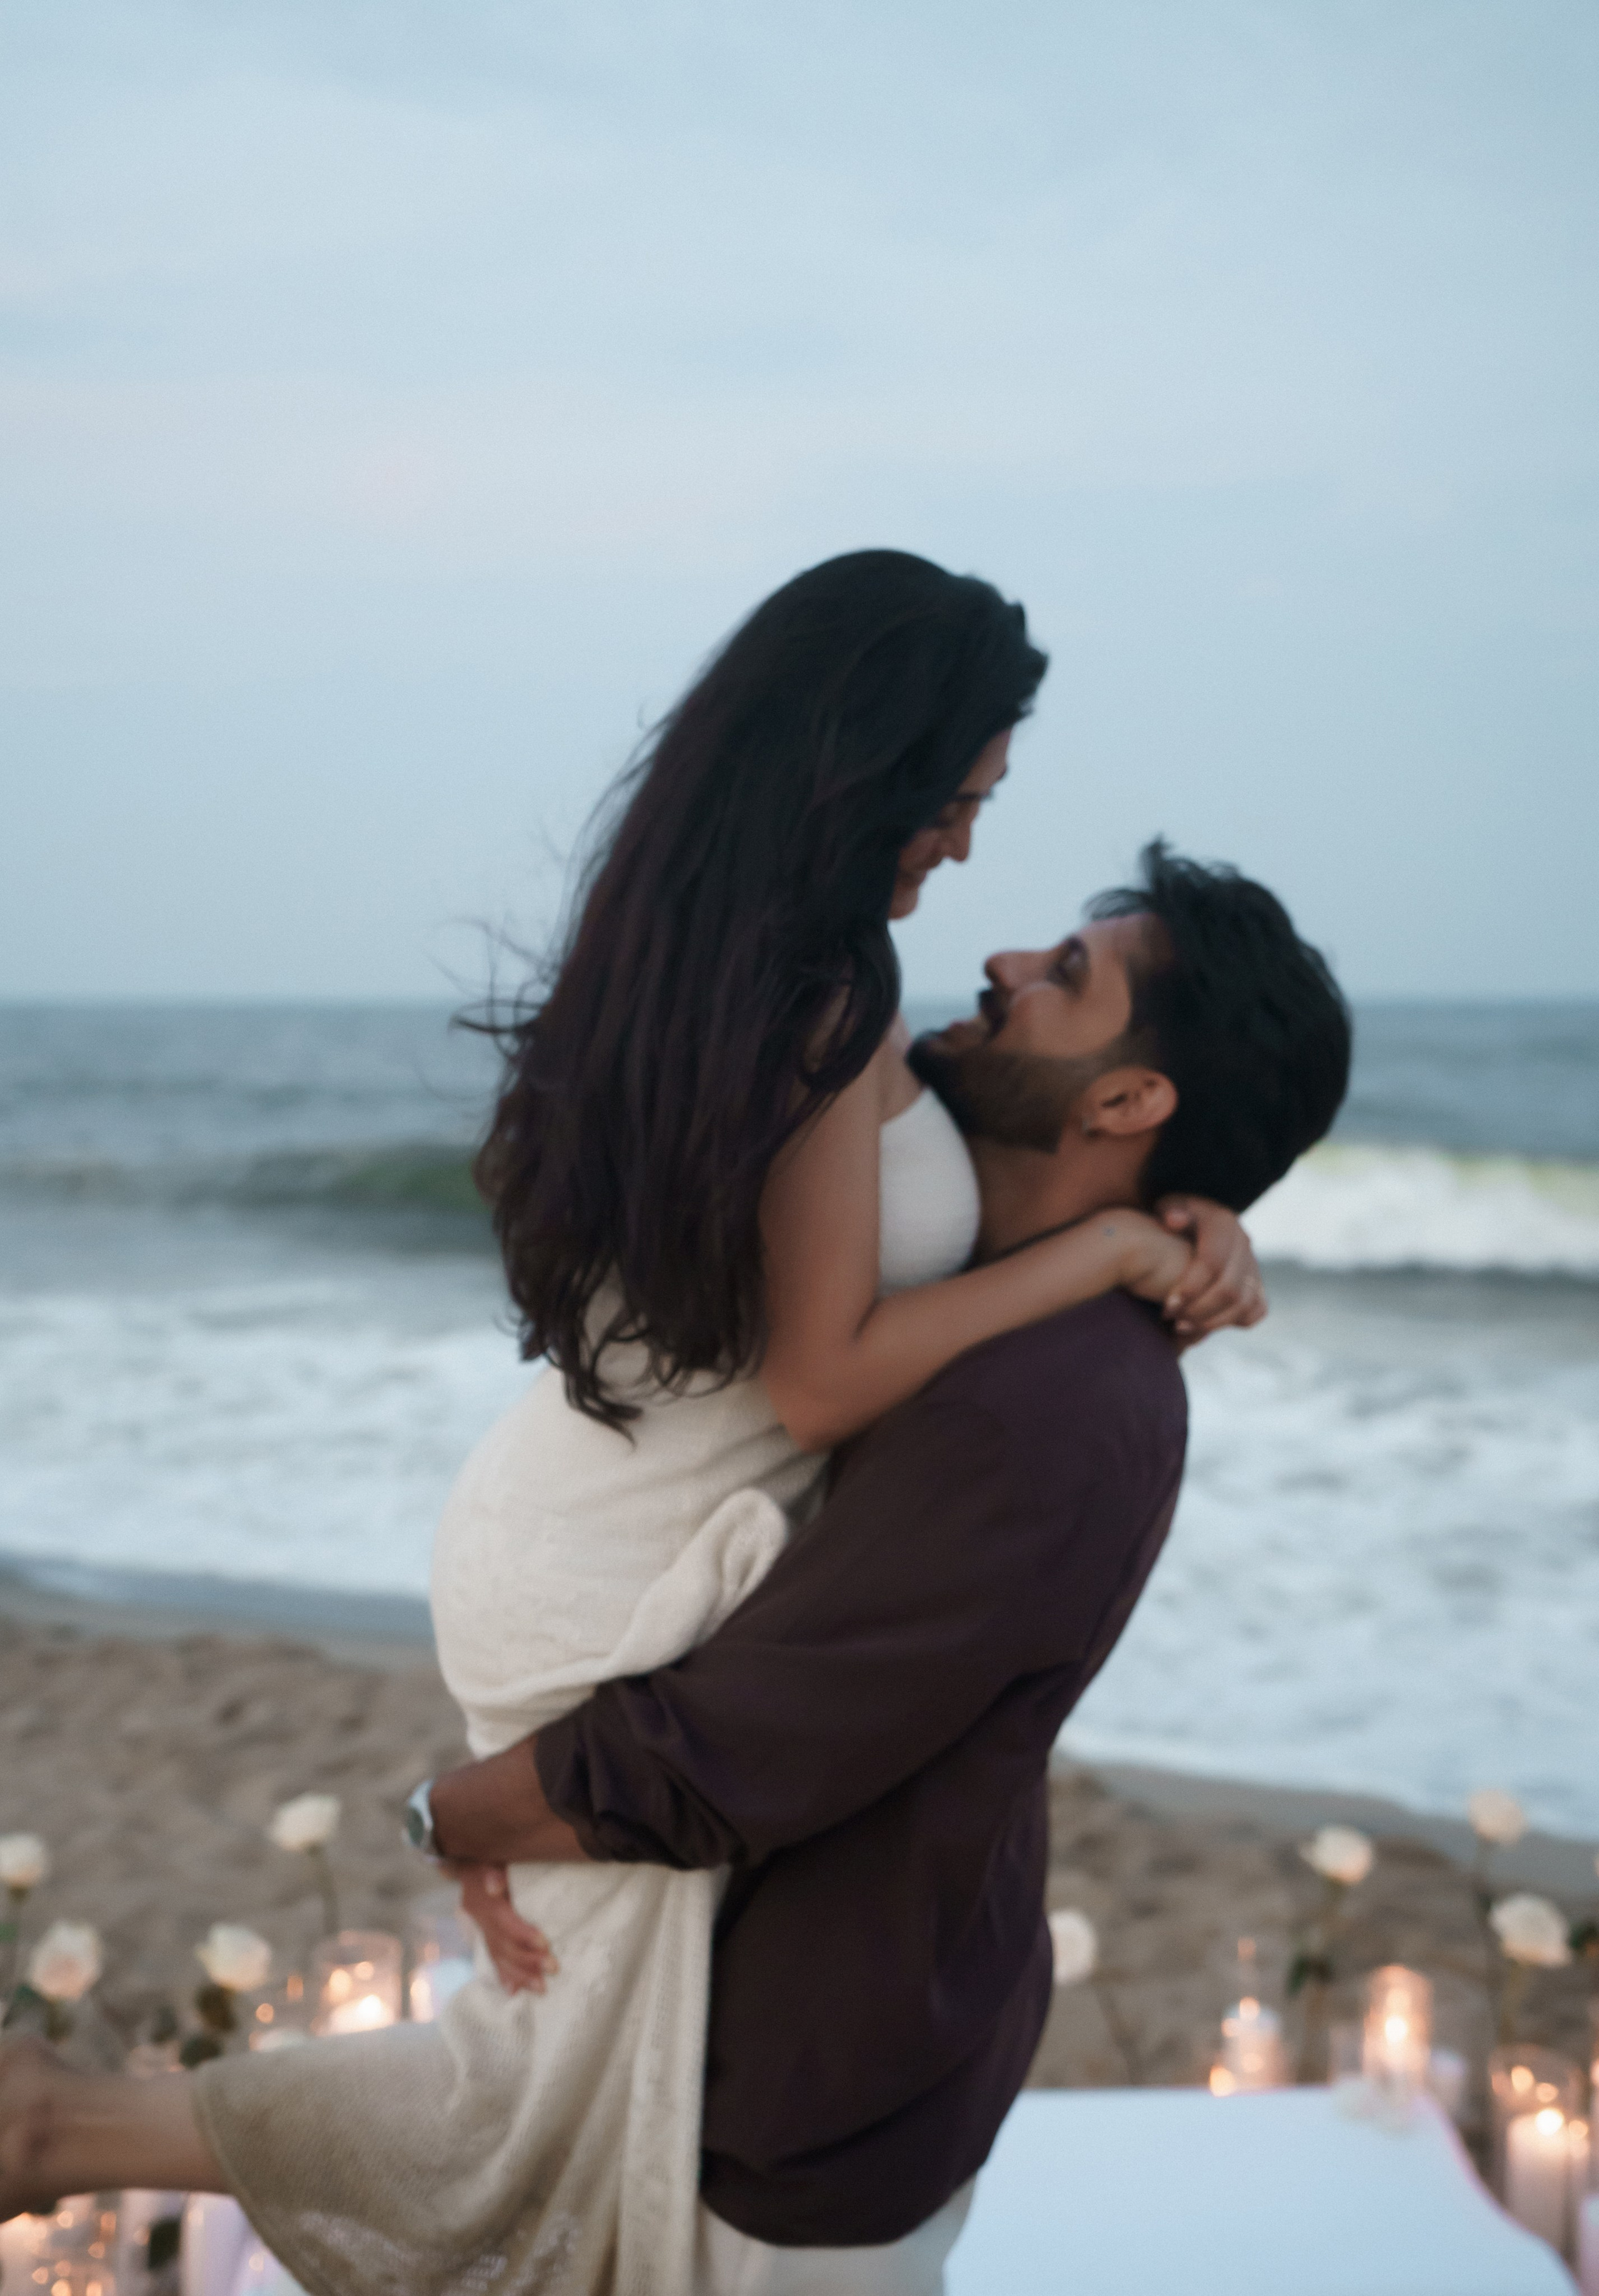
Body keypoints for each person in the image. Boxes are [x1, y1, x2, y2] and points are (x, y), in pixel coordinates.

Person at [0, 563, 1263, 2292]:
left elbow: (931, 1223)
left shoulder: (719, 951)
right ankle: (52, 2124)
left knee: (561, 2054)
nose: (970, 856)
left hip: (572, 1509)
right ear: (871, 768)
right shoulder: (830, 992)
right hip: (613, 1554)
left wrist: (1191, 1208)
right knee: (542, 2078)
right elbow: (825, 1379)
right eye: (964, 797)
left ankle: (64, 2124)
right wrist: (1118, 1241)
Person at [422, 844, 1354, 2294]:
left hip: (802, 2123)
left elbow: (733, 1750)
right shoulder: (994, 1296)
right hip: (844, 2038)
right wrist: (1173, 1220)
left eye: (1065, 976)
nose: (1001, 964)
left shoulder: (1036, 1405)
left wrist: (447, 1814)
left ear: (1122, 1102)